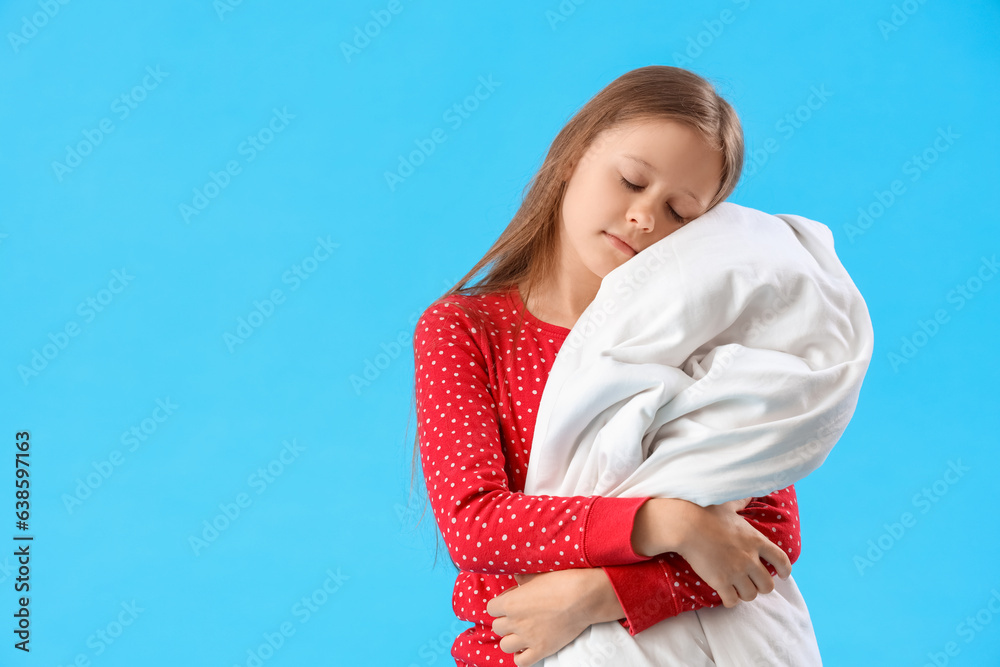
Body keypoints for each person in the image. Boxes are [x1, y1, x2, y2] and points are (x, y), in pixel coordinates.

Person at [410, 65, 803, 667]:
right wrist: (671, 524)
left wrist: (600, 595)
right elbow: (476, 522)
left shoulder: (703, 344)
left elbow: (769, 539)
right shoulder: (467, 330)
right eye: (630, 181)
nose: (645, 219)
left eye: (679, 212)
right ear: (573, 156)